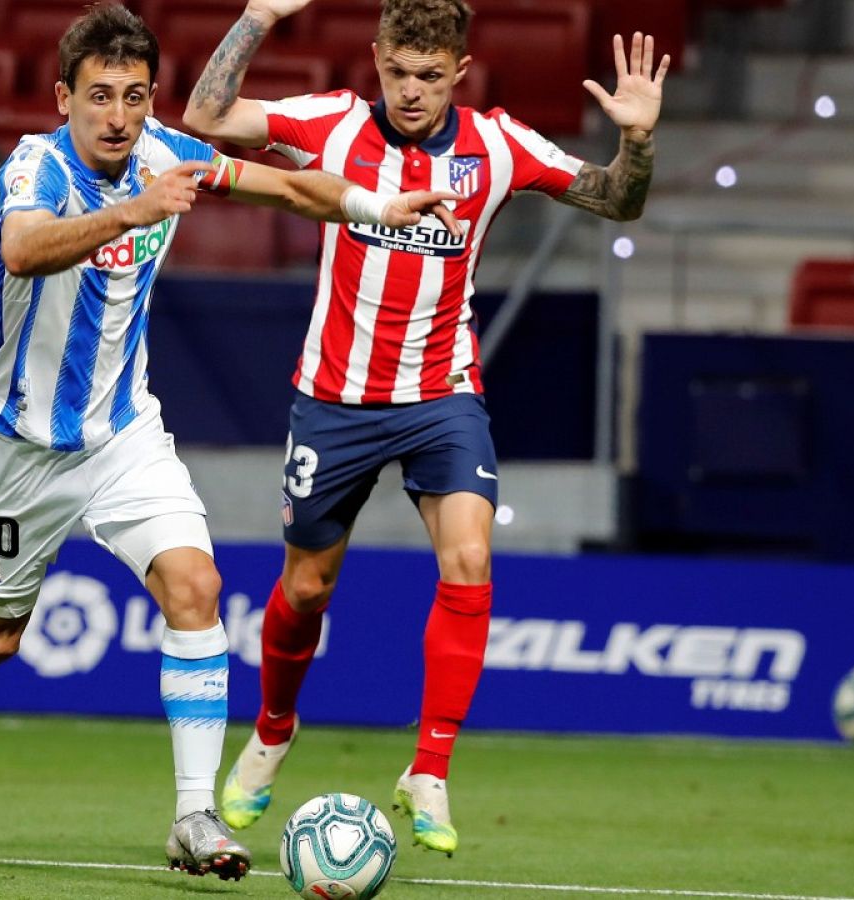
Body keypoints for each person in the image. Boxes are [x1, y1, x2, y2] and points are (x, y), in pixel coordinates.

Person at [0, 3, 459, 881]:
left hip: (125, 435)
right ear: (63, 96)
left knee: (196, 582)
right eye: (99, 95)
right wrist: (136, 210)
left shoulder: (167, 153)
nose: (117, 116)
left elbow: (289, 186)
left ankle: (193, 815)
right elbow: (23, 252)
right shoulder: (36, 167)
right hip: (19, 449)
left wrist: (377, 203)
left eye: (134, 97)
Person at [182, 0, 666, 856]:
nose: (410, 92)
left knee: (472, 559)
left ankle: (429, 768)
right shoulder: (331, 124)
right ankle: (273, 730)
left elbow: (615, 204)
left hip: (443, 393)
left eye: (430, 76)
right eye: (397, 71)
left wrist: (637, 140)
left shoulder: (499, 145)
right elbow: (206, 118)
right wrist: (257, 15)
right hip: (334, 399)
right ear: (376, 57)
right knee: (304, 591)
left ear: (461, 71)